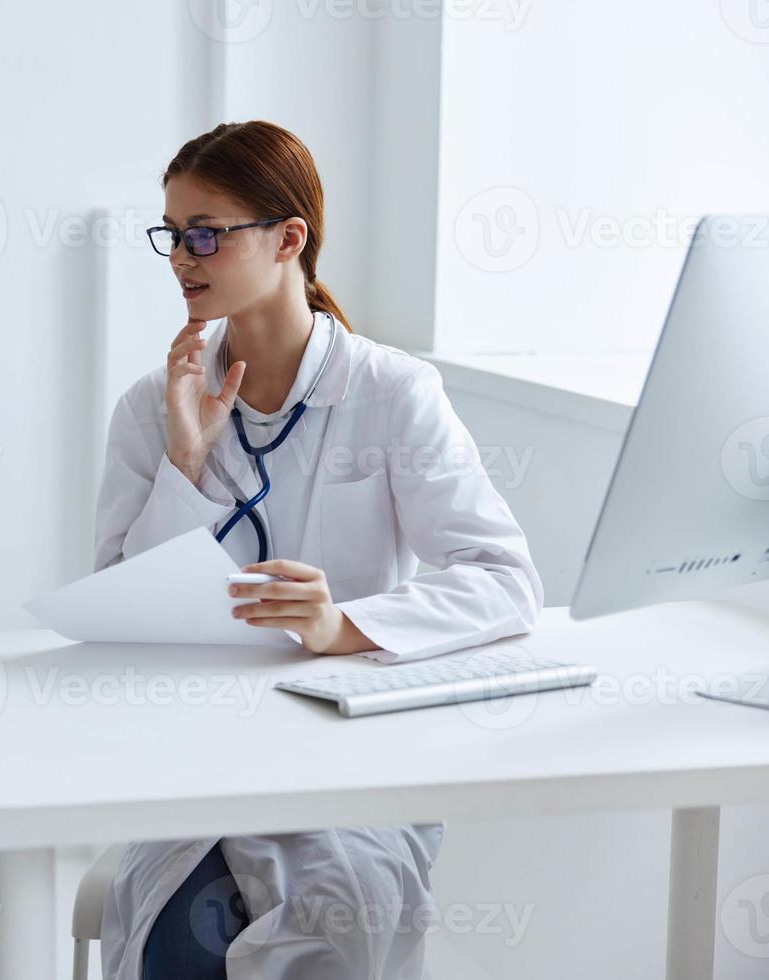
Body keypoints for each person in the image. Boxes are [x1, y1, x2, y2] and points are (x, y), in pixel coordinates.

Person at [94, 121, 545, 979]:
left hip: (351, 766)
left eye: (204, 234)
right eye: (172, 235)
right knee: (184, 942)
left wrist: (343, 625)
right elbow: (118, 607)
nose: (181, 259)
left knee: (308, 936)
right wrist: (185, 461)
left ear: (288, 238)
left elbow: (503, 581)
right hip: (199, 759)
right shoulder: (151, 406)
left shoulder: (391, 392)